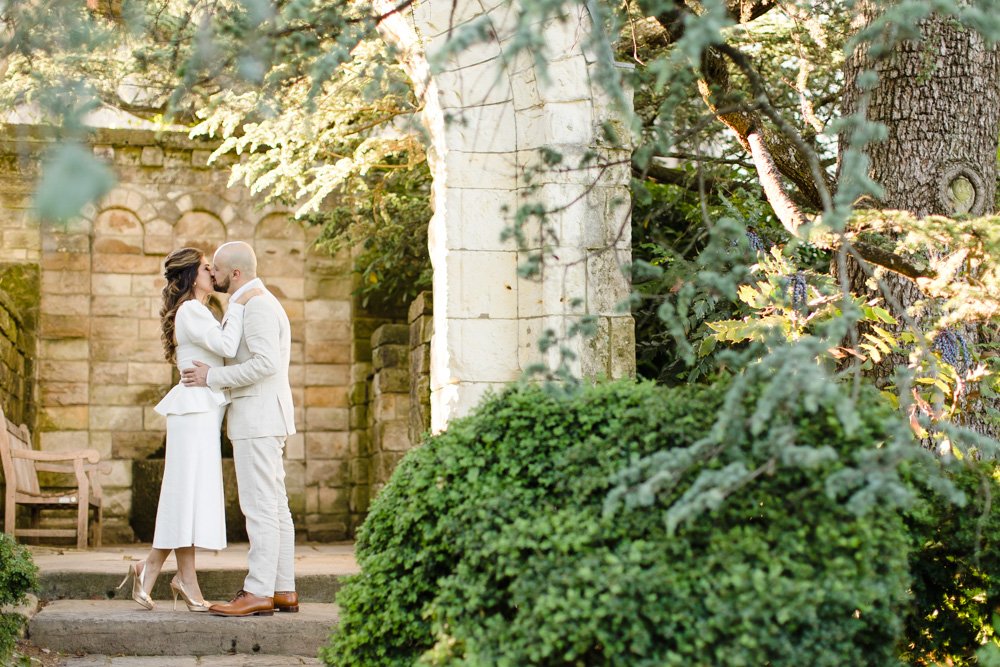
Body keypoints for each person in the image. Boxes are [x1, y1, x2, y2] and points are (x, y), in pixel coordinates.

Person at [119, 247, 258, 611]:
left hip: (202, 410)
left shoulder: (201, 311)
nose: (213, 273)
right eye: (206, 268)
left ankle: (160, 572)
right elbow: (228, 346)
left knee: (189, 495)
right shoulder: (192, 311)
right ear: (191, 275)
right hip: (194, 411)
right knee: (184, 493)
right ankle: (168, 574)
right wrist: (243, 300)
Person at [181, 241, 297, 618]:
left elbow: (265, 363)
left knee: (260, 506)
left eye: (215, 269)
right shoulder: (252, 302)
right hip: (263, 417)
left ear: (235, 273)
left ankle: (258, 590)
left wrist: (214, 376)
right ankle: (283, 589)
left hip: (258, 418)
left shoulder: (258, 304)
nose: (211, 275)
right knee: (275, 505)